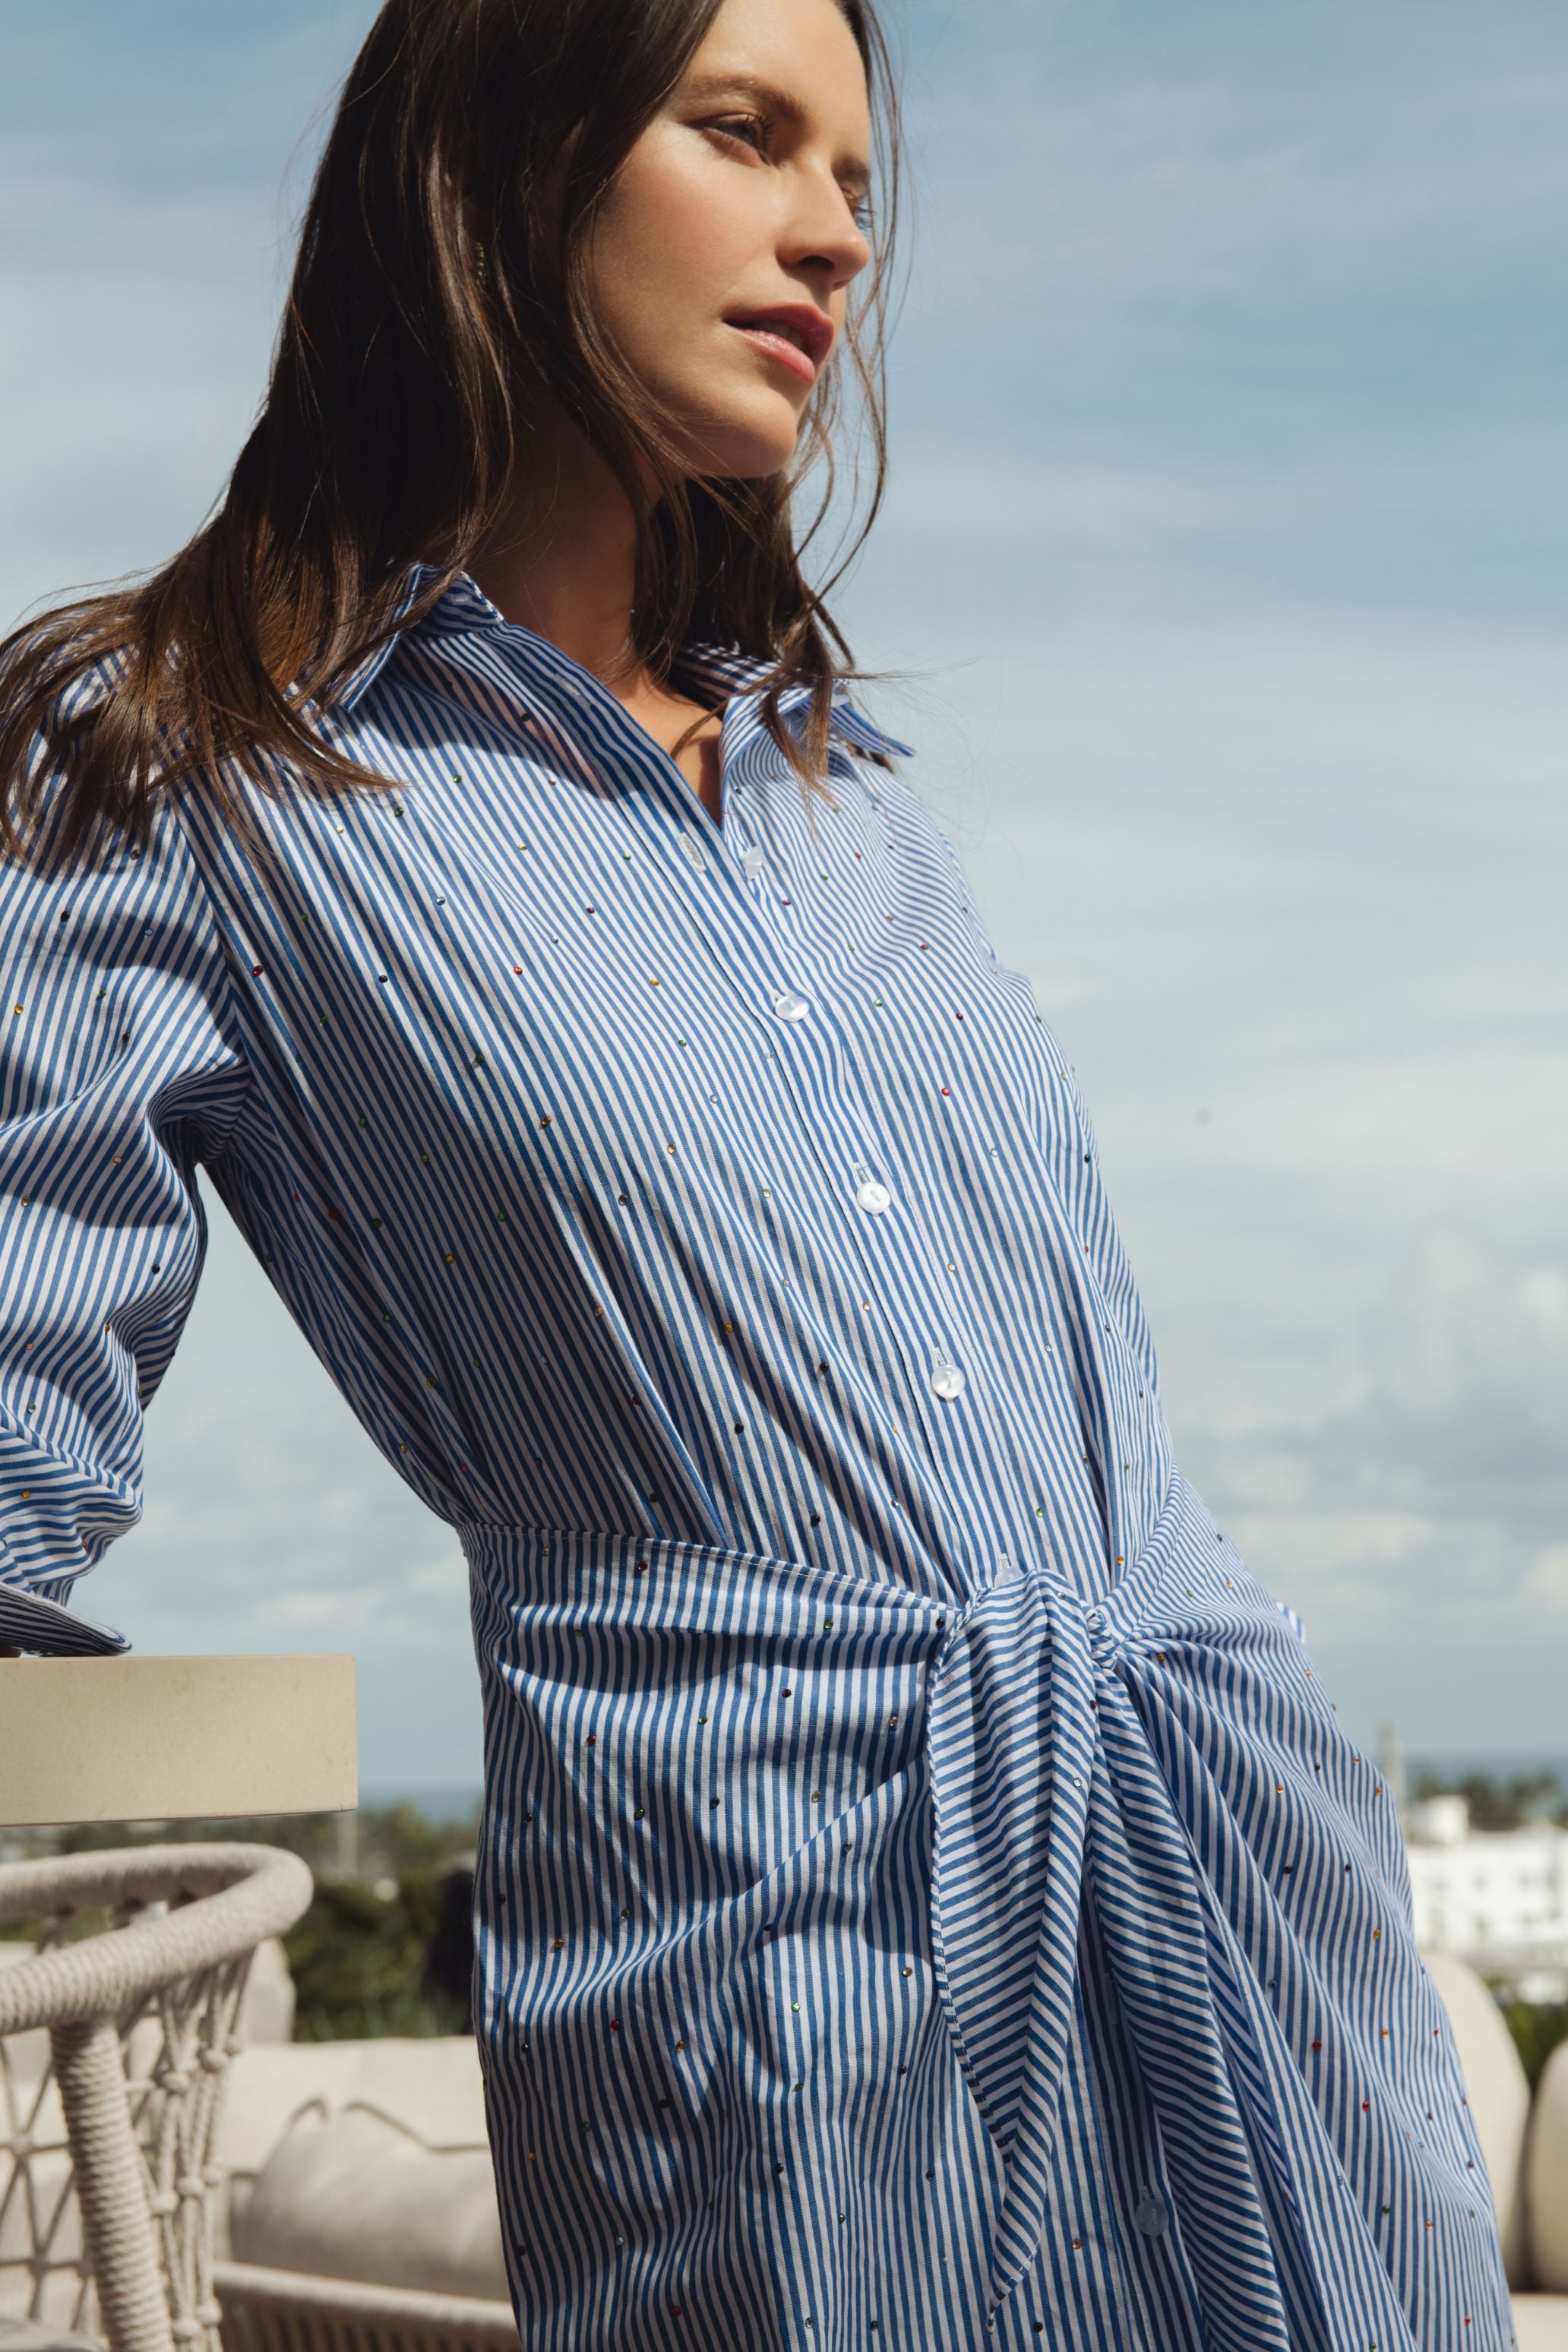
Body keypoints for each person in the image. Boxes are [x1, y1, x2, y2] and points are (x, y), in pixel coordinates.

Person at [0, 1, 1515, 2345]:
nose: (835, 237)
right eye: (746, 135)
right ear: (502, 158)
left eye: (861, 179)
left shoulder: (845, 789)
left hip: (1229, 1885)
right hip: (766, 1940)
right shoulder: (185, 755)